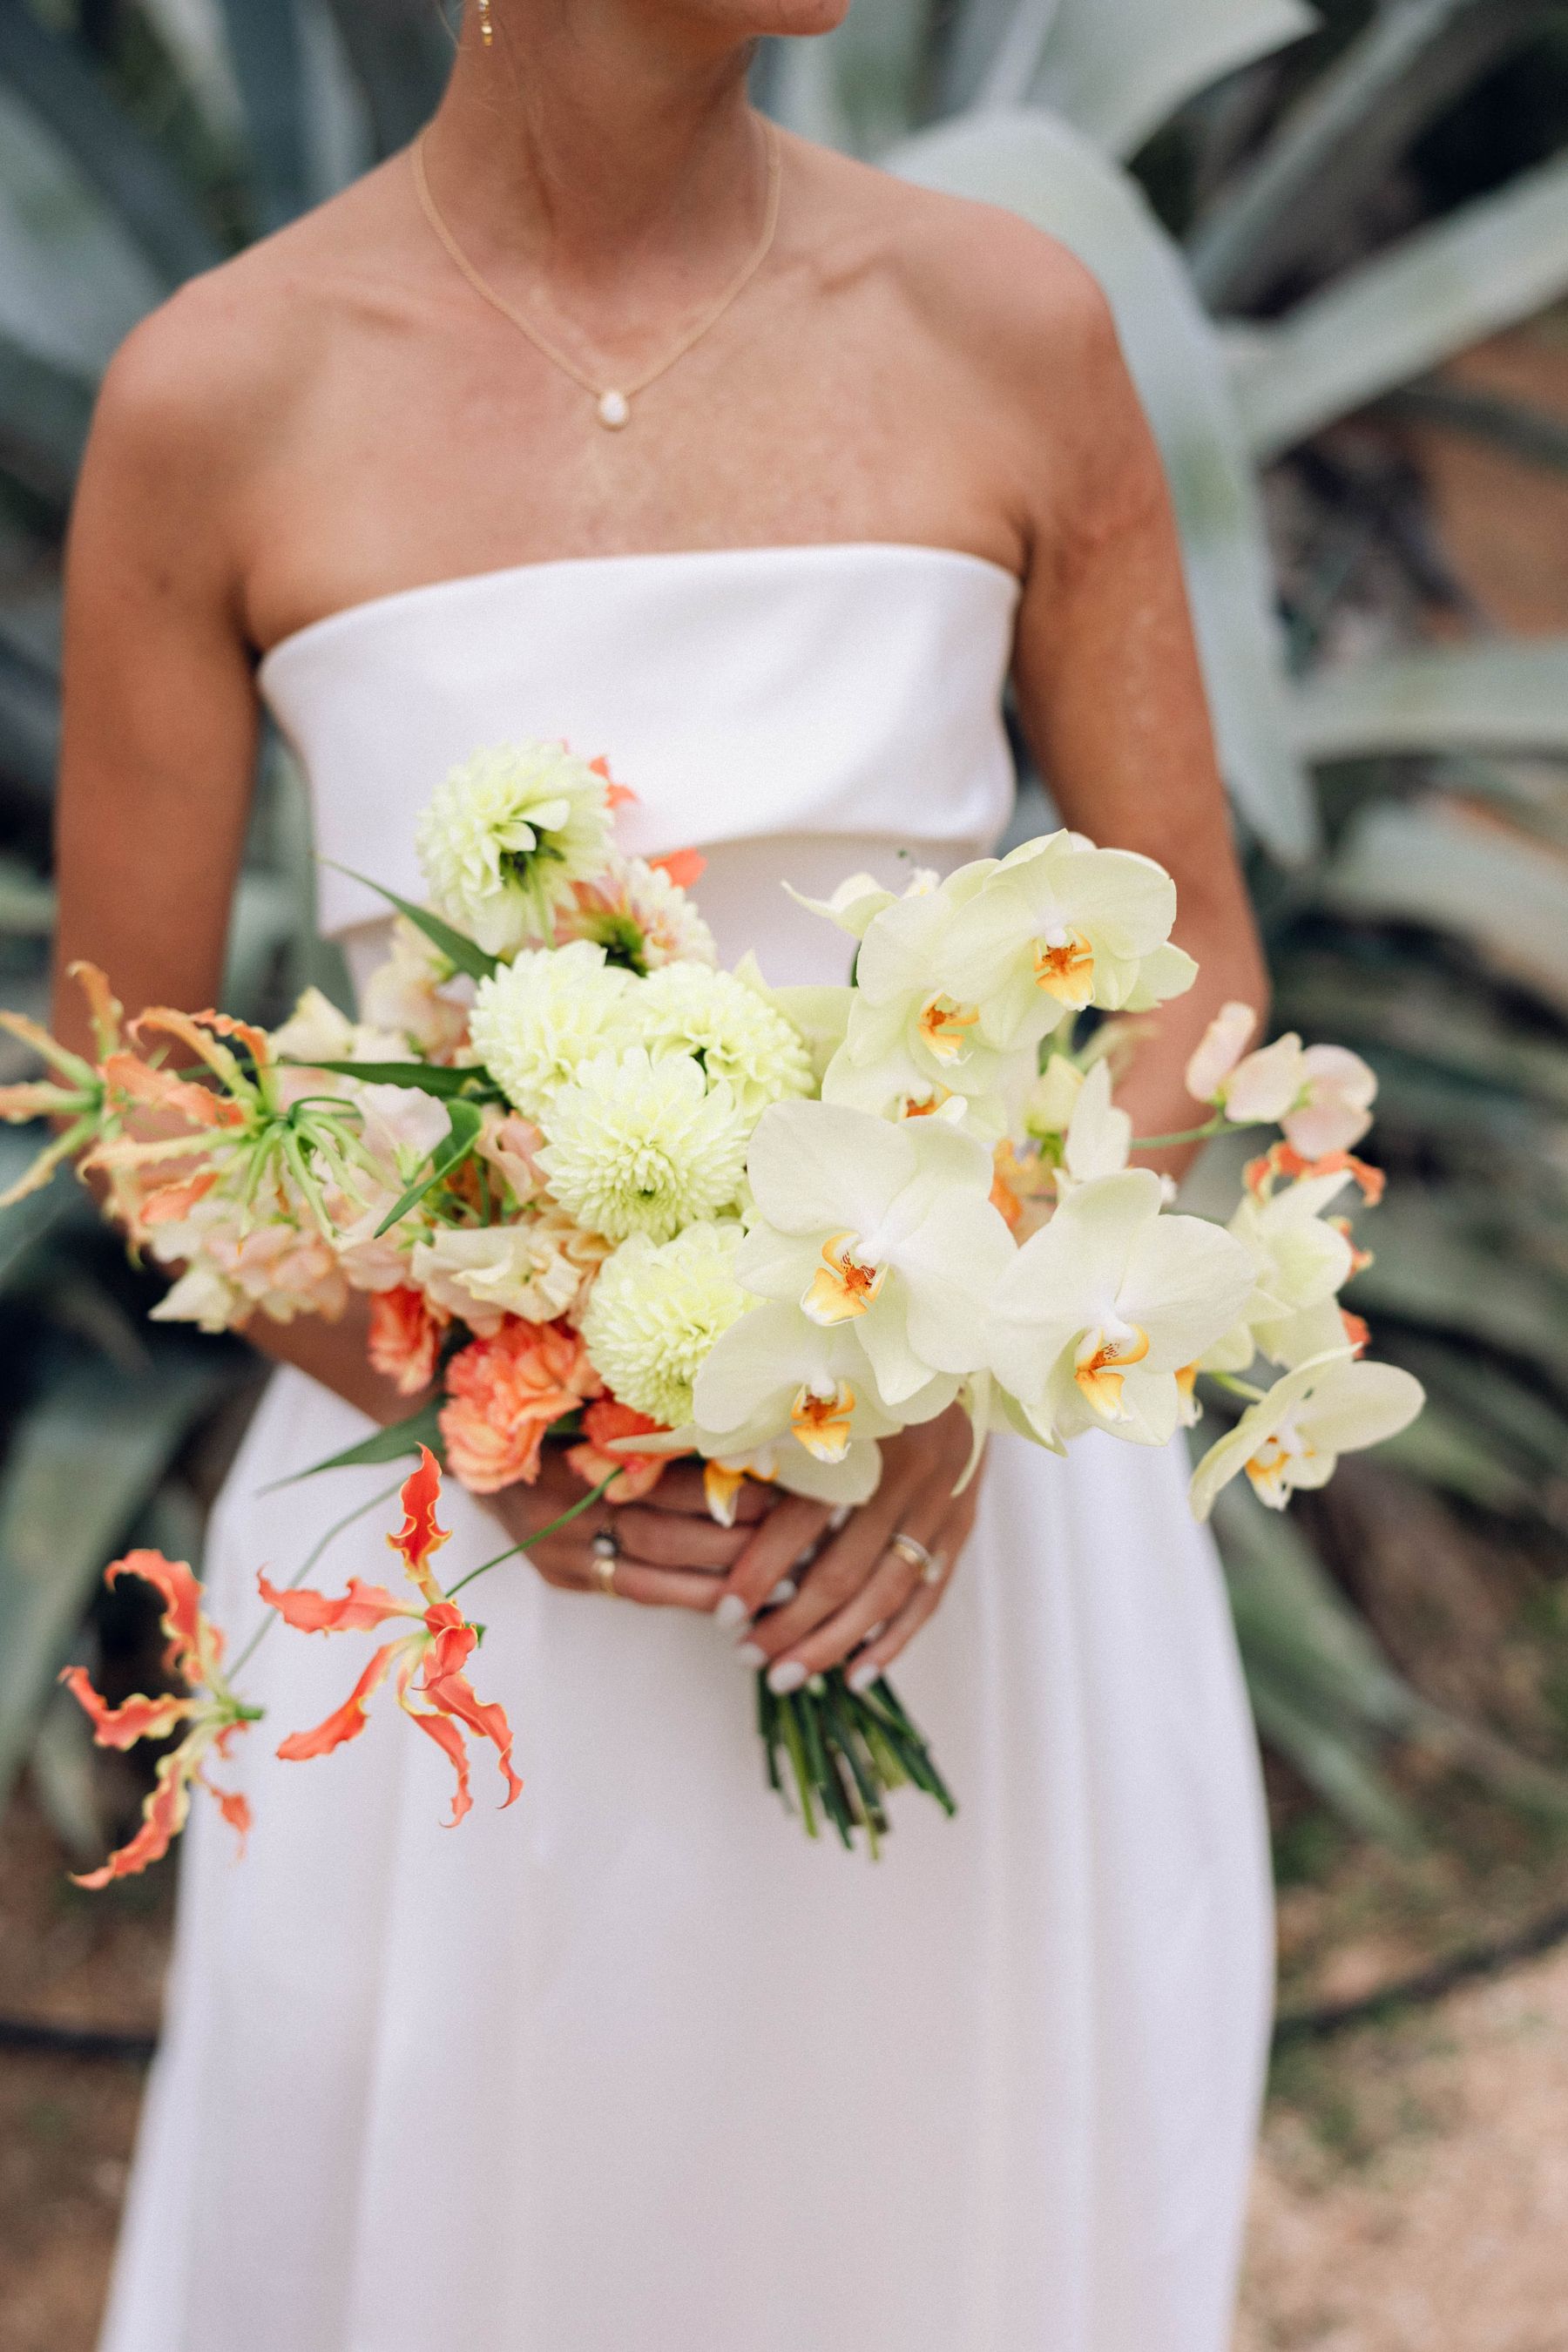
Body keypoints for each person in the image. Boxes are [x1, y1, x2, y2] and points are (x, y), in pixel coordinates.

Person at [52, 1, 1274, 2344]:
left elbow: (1191, 951)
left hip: (944, 1526)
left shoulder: (1006, 326)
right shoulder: (220, 400)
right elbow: (141, 1082)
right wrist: (488, 1381)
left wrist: (964, 1362)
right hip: (461, 1575)